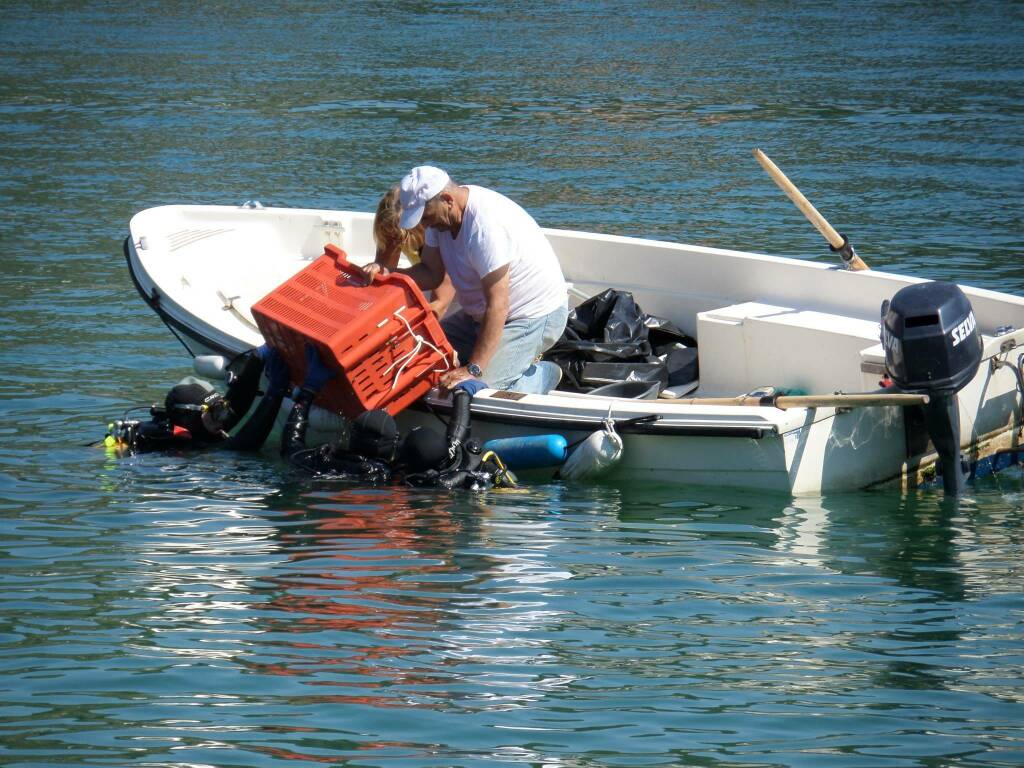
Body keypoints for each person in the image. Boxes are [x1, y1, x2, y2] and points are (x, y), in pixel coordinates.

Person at [361, 167, 569, 392]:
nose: (425, 225)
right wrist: (388, 276)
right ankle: (497, 360)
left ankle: (540, 376)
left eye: (427, 217)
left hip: (530, 316)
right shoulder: (440, 217)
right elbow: (431, 273)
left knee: (476, 388)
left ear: (447, 199)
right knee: (416, 358)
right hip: (477, 316)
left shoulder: (484, 227)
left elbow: (498, 306)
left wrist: (474, 369)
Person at [281, 347, 515, 489]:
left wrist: (309, 388)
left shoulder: (325, 459)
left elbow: (290, 447)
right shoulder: (396, 475)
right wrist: (463, 393)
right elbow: (455, 436)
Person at [103, 345, 290, 454]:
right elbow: (244, 446)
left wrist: (257, 357)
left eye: (221, 408)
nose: (224, 417)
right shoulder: (182, 445)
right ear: (191, 417)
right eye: (216, 413)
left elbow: (238, 401)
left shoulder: (203, 425)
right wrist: (276, 391)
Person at [372, 185, 455, 318]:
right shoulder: (392, 231)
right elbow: (383, 281)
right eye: (392, 235)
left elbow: (440, 304)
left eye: (403, 236)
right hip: (430, 281)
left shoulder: (439, 237)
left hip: (460, 293)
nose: (397, 241)